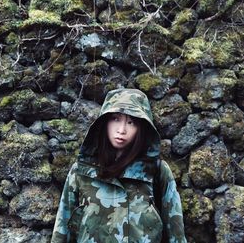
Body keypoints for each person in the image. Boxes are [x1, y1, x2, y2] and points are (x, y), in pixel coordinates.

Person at [51, 88, 187, 243]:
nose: (122, 130)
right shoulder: (81, 171)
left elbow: (176, 235)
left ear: (141, 128)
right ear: (104, 122)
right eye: (116, 119)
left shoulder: (156, 171)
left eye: (131, 122)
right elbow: (61, 232)